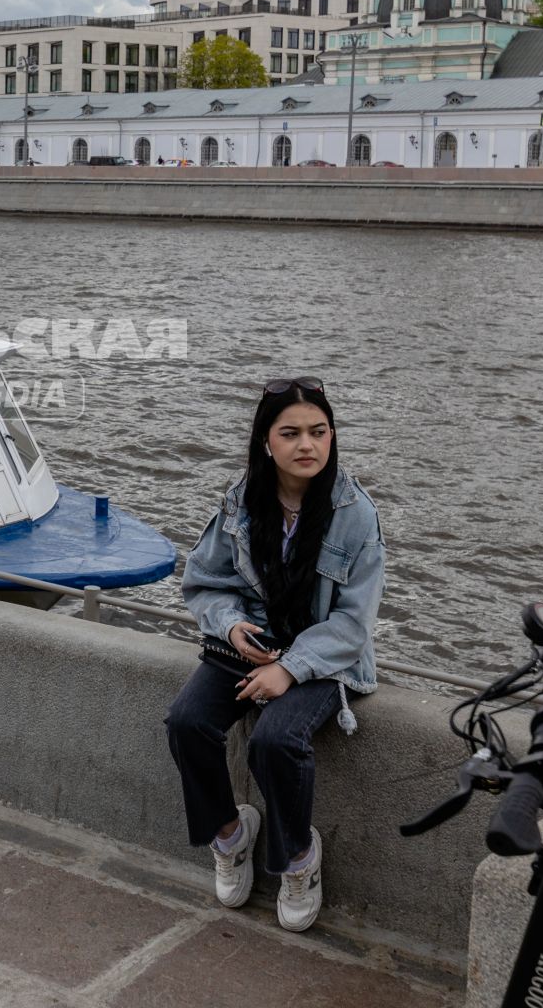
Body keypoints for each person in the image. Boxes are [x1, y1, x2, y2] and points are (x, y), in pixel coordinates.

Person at [163, 377, 384, 934]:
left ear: (332, 437)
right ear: (266, 441)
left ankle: (297, 860)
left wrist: (290, 667)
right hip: (251, 642)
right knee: (187, 722)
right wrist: (232, 625)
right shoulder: (242, 500)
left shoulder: (355, 514)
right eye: (291, 433)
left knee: (275, 739)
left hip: (323, 657)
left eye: (319, 431)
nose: (307, 445)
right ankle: (232, 836)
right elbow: (204, 582)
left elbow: (353, 625)